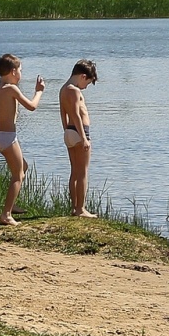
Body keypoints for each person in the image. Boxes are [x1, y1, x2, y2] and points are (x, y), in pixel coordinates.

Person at [0, 52, 45, 225]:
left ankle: (12, 204)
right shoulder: (12, 89)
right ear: (13, 72)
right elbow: (32, 106)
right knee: (18, 175)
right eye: (20, 70)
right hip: (8, 138)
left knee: (22, 167)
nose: (21, 74)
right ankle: (6, 215)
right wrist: (39, 91)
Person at [59, 59, 99, 218]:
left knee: (74, 172)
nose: (86, 87)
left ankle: (74, 207)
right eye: (87, 83)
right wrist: (84, 138)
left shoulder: (63, 89)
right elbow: (75, 114)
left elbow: (63, 113)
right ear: (83, 76)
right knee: (82, 172)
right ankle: (80, 209)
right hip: (79, 131)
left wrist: (66, 131)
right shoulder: (74, 90)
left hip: (69, 131)